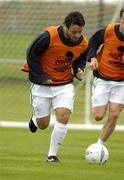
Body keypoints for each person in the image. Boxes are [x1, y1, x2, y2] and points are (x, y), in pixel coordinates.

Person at [25, 11, 88, 162]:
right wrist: (42, 76)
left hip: (64, 85)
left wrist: (78, 69)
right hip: (42, 85)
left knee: (64, 115)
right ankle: (35, 118)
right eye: (74, 32)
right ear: (66, 27)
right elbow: (31, 53)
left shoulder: (83, 42)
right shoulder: (49, 37)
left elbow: (80, 57)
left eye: (80, 31)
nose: (77, 35)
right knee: (43, 125)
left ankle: (52, 155)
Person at [87, 8, 124, 145]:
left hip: (122, 82)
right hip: (103, 78)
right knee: (98, 116)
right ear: (121, 19)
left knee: (114, 114)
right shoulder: (108, 30)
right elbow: (93, 42)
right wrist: (92, 58)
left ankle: (99, 146)